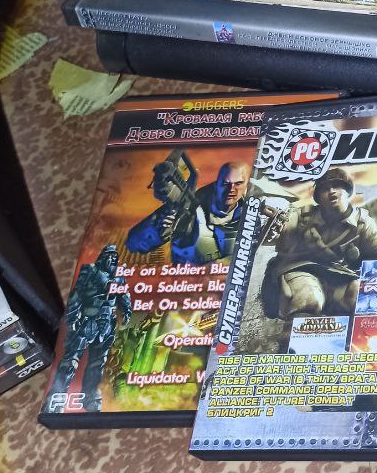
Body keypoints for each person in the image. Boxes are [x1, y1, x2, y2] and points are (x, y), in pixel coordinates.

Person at [262, 167, 377, 318]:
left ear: (347, 191)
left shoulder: (362, 223)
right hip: (299, 271)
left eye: (337, 186)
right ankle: (299, 330)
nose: (331, 191)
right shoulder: (302, 217)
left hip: (338, 277)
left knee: (360, 297)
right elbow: (275, 232)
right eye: (325, 189)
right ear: (318, 197)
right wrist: (272, 220)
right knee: (308, 298)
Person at [50, 244, 132, 410]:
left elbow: (124, 296)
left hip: (107, 324)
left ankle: (90, 397)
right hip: (87, 321)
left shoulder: (119, 276)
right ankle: (56, 398)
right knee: (70, 361)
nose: (112, 259)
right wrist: (73, 317)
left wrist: (127, 311)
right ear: (102, 257)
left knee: (97, 363)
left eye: (114, 257)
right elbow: (76, 294)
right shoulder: (91, 270)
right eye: (109, 256)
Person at [126, 158, 251, 264]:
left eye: (238, 183)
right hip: (188, 277)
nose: (231, 190)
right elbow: (134, 242)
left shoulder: (250, 207)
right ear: (216, 184)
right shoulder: (190, 206)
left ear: (246, 185)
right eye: (225, 184)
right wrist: (160, 231)